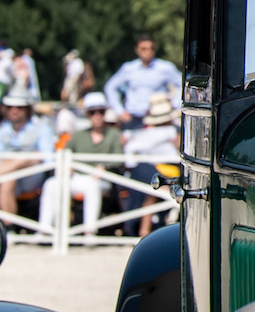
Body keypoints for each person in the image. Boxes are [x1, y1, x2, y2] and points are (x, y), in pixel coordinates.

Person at [0, 93, 55, 223]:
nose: (14, 110)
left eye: (19, 107)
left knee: (17, 165)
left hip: (32, 175)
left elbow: (47, 158)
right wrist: (24, 160)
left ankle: (8, 226)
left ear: (27, 109)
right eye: (10, 107)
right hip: (6, 175)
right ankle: (9, 225)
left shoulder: (41, 128)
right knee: (9, 177)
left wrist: (22, 161)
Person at [121, 92, 180, 238]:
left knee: (152, 183)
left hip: (172, 174)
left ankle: (144, 231)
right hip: (151, 174)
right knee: (150, 181)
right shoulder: (141, 133)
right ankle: (143, 230)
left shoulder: (177, 132)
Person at [68, 92, 124, 242]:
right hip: (78, 178)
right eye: (92, 112)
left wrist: (105, 167)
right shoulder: (78, 135)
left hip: (102, 180)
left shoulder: (114, 134)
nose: (97, 116)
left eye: (101, 111)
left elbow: (119, 159)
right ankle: (48, 231)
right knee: (52, 185)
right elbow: (65, 154)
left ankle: (89, 232)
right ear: (87, 115)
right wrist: (67, 168)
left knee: (92, 187)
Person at [103, 34, 183, 125]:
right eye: (144, 49)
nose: (148, 52)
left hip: (160, 119)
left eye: (151, 48)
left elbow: (182, 84)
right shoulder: (128, 68)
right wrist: (119, 110)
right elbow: (110, 87)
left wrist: (175, 104)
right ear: (137, 50)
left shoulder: (165, 68)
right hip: (134, 119)